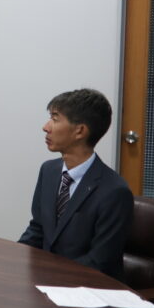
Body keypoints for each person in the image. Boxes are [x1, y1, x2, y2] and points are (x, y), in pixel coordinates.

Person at [18, 88, 132, 280]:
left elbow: (100, 261)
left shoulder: (115, 191)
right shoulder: (49, 171)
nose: (46, 127)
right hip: (45, 282)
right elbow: (38, 229)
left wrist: (51, 277)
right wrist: (10, 260)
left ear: (80, 131)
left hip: (87, 288)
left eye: (55, 119)